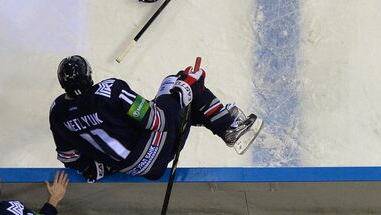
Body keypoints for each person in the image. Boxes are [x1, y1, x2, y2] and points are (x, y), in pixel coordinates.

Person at [49, 55, 261, 182]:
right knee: (177, 82)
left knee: (183, 103)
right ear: (89, 75)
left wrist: (95, 169)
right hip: (155, 154)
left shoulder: (57, 111)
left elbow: (69, 156)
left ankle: (212, 121)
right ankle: (227, 127)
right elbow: (159, 121)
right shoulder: (109, 90)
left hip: (129, 168)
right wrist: (182, 91)